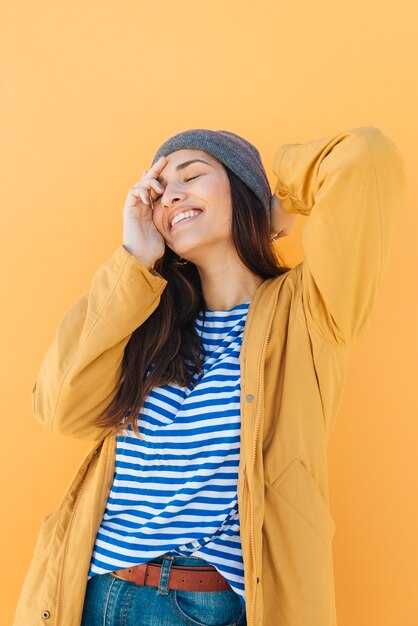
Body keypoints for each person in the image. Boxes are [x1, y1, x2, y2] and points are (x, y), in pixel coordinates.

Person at [13, 126, 405, 626]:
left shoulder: (307, 313)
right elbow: (57, 405)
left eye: (192, 175)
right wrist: (134, 259)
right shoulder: (147, 323)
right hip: (90, 594)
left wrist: (275, 197)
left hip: (200, 605)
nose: (171, 193)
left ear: (242, 192)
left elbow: (366, 157)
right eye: (158, 191)